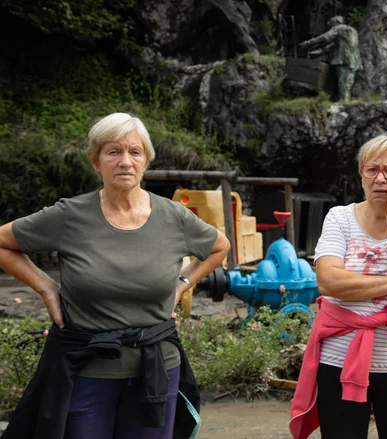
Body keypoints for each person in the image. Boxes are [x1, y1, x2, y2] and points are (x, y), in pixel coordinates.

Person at [0, 112, 230, 439]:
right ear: (95, 161)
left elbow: (220, 247)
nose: (125, 161)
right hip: (86, 370)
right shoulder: (70, 215)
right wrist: (45, 287)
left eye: (135, 152)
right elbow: (3, 243)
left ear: (146, 161)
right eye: (113, 152)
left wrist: (182, 284)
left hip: (156, 370)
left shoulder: (173, 216)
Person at [290, 134, 387, 439]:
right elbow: (329, 281)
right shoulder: (340, 218)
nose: (381, 179)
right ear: (360, 175)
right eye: (371, 170)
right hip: (339, 359)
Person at [299, 15, 362, 101]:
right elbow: (334, 45)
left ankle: (344, 102)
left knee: (343, 82)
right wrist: (319, 52)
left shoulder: (338, 28)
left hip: (344, 59)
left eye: (331, 25)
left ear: (335, 23)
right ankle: (345, 100)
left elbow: (324, 37)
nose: (331, 27)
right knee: (348, 82)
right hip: (354, 60)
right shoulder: (352, 31)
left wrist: (308, 43)